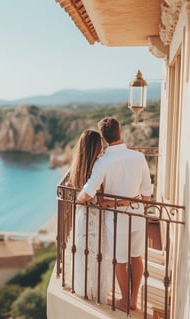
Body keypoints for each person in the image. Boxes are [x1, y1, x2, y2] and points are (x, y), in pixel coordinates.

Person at [77, 117, 153, 312]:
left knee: (121, 260)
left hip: (117, 218)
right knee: (136, 257)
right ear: (120, 133)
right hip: (137, 215)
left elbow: (87, 194)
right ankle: (134, 299)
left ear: (104, 138)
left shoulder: (102, 162)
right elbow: (146, 194)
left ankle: (124, 301)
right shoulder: (138, 157)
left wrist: (78, 199)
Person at [68, 129, 112, 303]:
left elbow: (83, 194)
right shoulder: (98, 167)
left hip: (82, 215)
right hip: (96, 215)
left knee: (84, 252)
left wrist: (79, 201)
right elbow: (97, 194)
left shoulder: (78, 167)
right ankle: (96, 294)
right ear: (96, 147)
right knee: (98, 253)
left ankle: (84, 289)